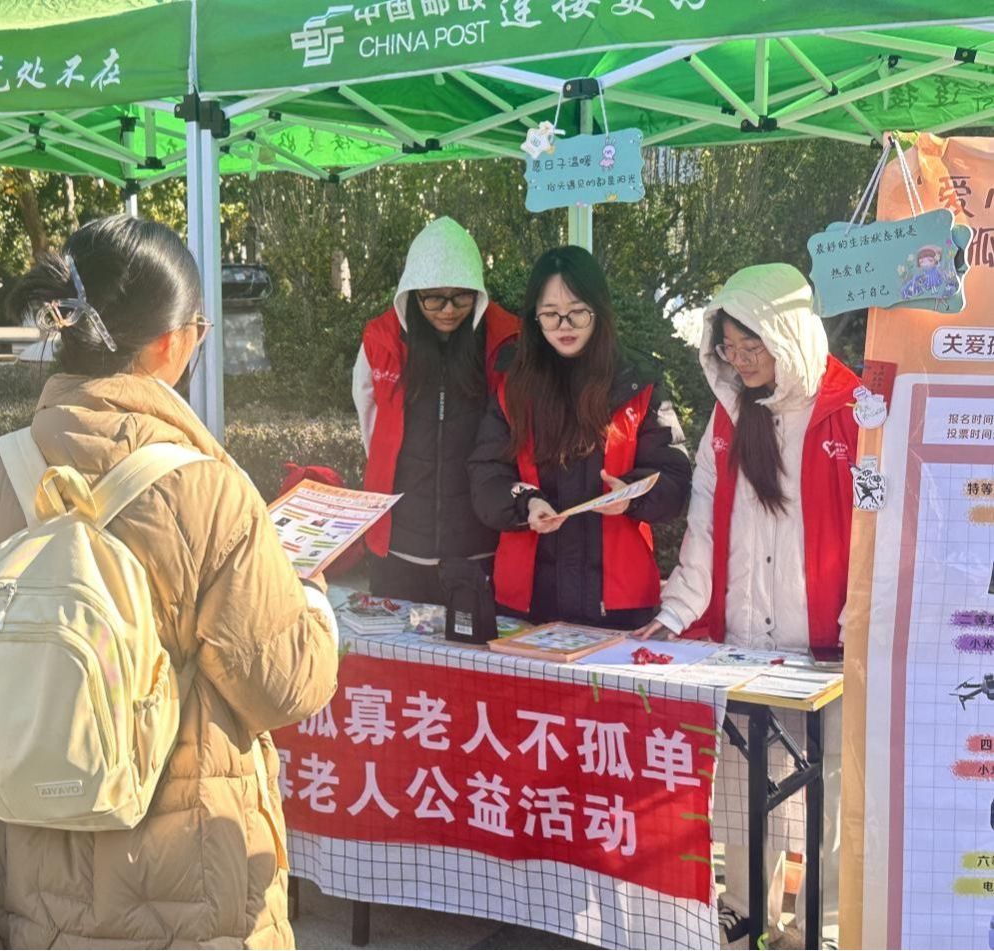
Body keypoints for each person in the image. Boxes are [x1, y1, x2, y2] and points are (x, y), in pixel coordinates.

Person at [0, 215, 339, 949]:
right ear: (173, 341)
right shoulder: (211, 492)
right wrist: (314, 605)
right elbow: (281, 689)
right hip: (186, 886)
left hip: (18, 872)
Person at [633, 263, 859, 941]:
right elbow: (703, 524)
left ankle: (818, 920)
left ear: (787, 333)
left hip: (823, 645)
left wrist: (858, 622)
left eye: (751, 345)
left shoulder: (851, 408)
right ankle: (744, 903)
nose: (741, 360)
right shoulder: (730, 414)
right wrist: (675, 612)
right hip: (742, 639)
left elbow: (875, 530)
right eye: (729, 347)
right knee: (741, 780)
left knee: (828, 784)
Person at [469, 245, 691, 627]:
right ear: (534, 317)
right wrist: (525, 503)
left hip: (618, 602)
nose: (564, 325)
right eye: (550, 314)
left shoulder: (639, 382)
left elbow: (674, 476)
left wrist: (631, 495)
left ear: (599, 311)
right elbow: (486, 475)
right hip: (527, 601)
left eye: (577, 312)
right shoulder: (512, 385)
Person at [354, 217, 520, 604]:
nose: (448, 310)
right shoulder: (381, 339)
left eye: (461, 297)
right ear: (412, 295)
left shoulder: (506, 339)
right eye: (434, 299)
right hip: (399, 546)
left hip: (479, 546)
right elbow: (369, 419)